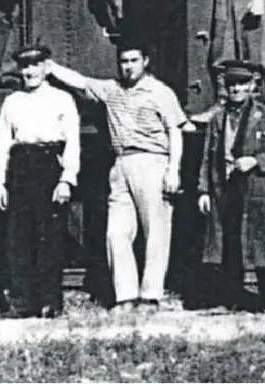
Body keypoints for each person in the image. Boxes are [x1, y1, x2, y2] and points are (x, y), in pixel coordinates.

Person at [46, 42, 187, 310]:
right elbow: (81, 82)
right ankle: (126, 296)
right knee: (116, 233)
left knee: (156, 231)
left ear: (145, 61)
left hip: (153, 161)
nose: (128, 66)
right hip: (121, 164)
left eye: (134, 60)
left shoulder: (161, 92)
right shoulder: (111, 90)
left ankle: (150, 296)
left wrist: (173, 169)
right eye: (124, 61)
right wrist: (52, 68)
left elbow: (175, 131)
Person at [0, 45, 81, 318]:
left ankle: (50, 301)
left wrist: (67, 180)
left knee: (49, 236)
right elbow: (2, 142)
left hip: (48, 165)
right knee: (18, 237)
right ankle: (22, 302)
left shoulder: (62, 99)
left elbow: (73, 142)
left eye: (35, 65)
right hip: (19, 167)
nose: (30, 71)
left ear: (46, 67)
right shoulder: (13, 101)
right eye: (25, 66)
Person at [197, 61, 265, 313]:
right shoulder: (218, 119)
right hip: (226, 190)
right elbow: (208, 157)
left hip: (259, 189)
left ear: (252, 86)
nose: (236, 89)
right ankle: (228, 299)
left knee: (264, 246)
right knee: (229, 246)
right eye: (231, 85)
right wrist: (204, 190)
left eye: (241, 84)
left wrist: (256, 161)